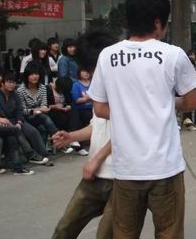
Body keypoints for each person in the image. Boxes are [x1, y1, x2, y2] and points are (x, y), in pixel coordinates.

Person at [89, 0, 196, 239]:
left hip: (126, 169)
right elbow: (191, 102)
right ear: (158, 22)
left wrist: (130, 108)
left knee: (124, 234)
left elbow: (99, 108)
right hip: (165, 168)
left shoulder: (107, 56)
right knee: (169, 233)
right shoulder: (173, 55)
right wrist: (162, 102)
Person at [51, 28, 119, 239]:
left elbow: (128, 131)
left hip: (121, 179)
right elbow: (96, 126)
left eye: (94, 68)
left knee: (106, 235)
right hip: (94, 178)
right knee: (64, 229)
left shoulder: (125, 88)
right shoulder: (98, 89)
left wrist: (96, 159)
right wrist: (71, 136)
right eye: (89, 69)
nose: (91, 73)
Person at [17, 62, 60, 147]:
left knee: (42, 128)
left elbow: (44, 104)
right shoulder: (20, 90)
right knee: (44, 118)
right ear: (27, 76)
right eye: (32, 74)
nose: (35, 76)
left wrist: (44, 108)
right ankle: (59, 139)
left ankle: (42, 151)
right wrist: (36, 110)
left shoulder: (42, 87)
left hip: (39, 116)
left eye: (36, 74)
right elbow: (21, 110)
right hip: (27, 117)